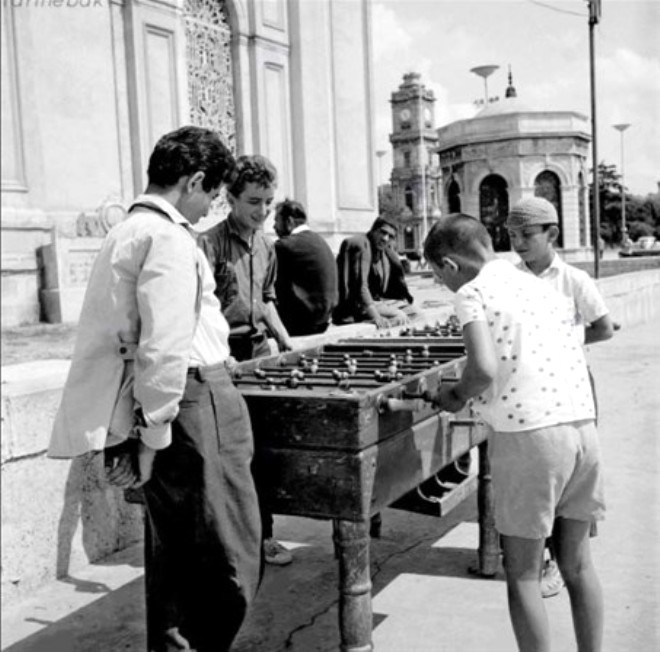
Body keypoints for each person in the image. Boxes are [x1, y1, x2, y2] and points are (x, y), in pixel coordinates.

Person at [48, 126, 262, 652]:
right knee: (230, 552)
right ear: (192, 180)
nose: (212, 205)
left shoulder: (127, 230)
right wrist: (156, 432)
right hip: (192, 401)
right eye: (212, 193)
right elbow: (164, 347)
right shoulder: (167, 237)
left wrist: (145, 431)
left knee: (175, 551)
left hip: (166, 405)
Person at [424, 213, 605, 652]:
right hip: (583, 429)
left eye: (436, 275)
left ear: (449, 265)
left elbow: (483, 369)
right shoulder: (538, 284)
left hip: (533, 439)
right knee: (579, 566)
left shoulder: (472, 291)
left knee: (522, 574)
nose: (441, 283)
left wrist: (455, 394)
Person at [507, 196, 614, 599]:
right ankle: (547, 560)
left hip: (571, 388)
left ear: (552, 234)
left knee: (571, 487)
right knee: (539, 488)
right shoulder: (511, 279)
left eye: (527, 235)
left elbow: (604, 327)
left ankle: (565, 561)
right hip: (529, 393)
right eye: (512, 234)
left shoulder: (573, 280)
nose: (518, 242)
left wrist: (563, 339)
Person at [200, 154, 293, 566]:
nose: (262, 211)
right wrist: (220, 360)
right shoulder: (207, 244)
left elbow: (267, 302)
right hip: (221, 357)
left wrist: (286, 345)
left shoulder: (267, 246)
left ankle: (264, 536)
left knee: (262, 448)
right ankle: (226, 543)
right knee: (227, 455)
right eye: (254, 202)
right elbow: (198, 314)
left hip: (257, 353)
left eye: (269, 203)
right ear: (231, 199)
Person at [333, 216, 419, 328]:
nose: (385, 238)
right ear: (373, 230)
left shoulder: (385, 252)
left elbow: (395, 283)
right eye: (383, 232)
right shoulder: (361, 244)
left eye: (390, 236)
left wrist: (406, 301)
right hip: (357, 305)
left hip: (377, 301)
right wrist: (376, 317)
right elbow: (360, 287)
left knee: (416, 313)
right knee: (399, 317)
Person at [273, 198, 338, 336]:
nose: (274, 227)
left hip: (300, 325)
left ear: (289, 222)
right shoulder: (320, 240)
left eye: (276, 221)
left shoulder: (284, 245)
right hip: (323, 321)